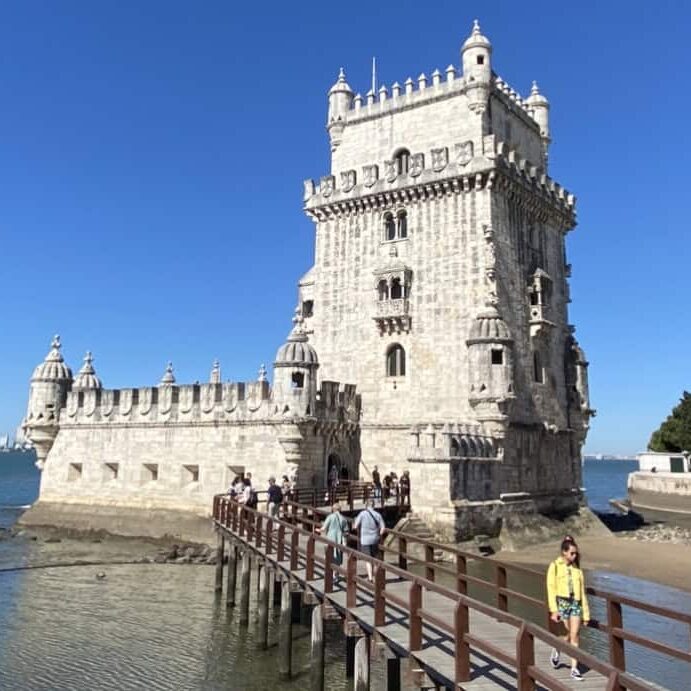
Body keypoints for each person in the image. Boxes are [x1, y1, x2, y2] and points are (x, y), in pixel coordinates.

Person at [546, 537, 590, 681]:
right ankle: (558, 647)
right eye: (572, 553)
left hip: (575, 603)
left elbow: (582, 592)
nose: (574, 556)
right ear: (564, 552)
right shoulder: (555, 565)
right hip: (562, 603)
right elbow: (551, 588)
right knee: (568, 634)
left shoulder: (577, 569)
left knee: (575, 634)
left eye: (575, 553)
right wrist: (554, 610)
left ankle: (574, 669)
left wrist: (586, 614)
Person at [353, 499, 386, 582]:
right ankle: (376, 577)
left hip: (365, 540)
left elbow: (355, 526)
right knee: (375, 559)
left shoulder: (362, 514)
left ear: (366, 505)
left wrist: (354, 524)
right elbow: (383, 527)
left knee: (368, 559)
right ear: (373, 505)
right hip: (375, 539)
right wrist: (380, 534)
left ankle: (370, 577)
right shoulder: (378, 514)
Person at [319, 502, 349, 582]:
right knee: (338, 557)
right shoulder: (343, 519)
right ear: (340, 510)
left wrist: (318, 530)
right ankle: (336, 575)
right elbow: (346, 531)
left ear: (333, 509)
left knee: (329, 555)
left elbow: (324, 528)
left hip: (330, 538)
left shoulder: (330, 517)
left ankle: (330, 574)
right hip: (339, 539)